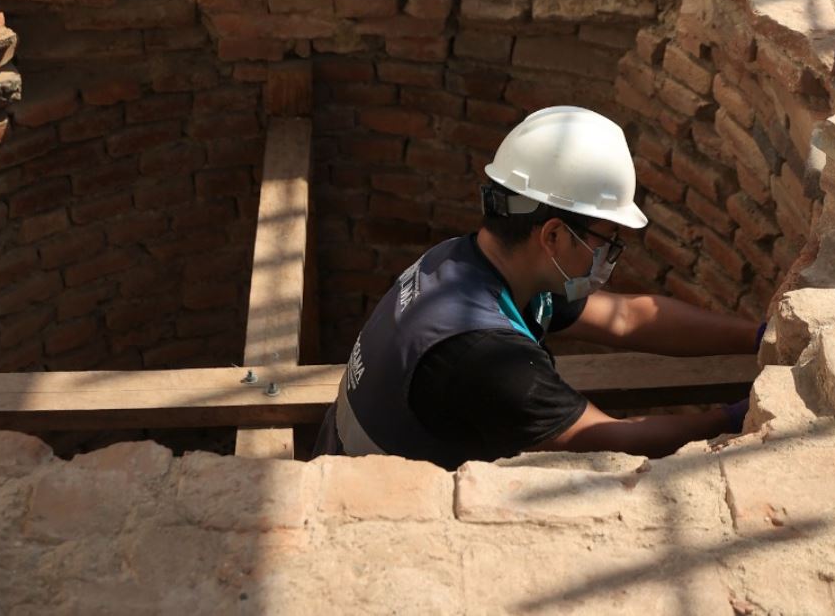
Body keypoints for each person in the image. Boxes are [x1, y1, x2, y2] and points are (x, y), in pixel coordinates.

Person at [313, 105, 761, 468]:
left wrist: (757, 336)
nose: (608, 253)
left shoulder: (468, 260)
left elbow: (625, 318)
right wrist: (733, 419)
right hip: (373, 515)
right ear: (552, 235)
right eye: (604, 238)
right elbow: (611, 439)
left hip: (350, 452)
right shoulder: (487, 357)